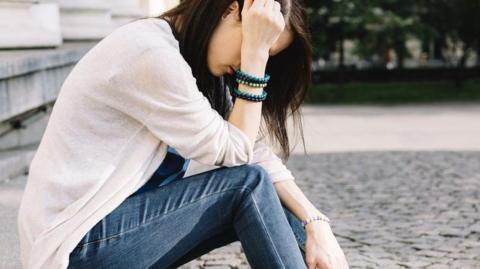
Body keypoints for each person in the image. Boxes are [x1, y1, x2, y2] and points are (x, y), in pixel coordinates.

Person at [17, 0, 349, 268]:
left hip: (106, 238)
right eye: (257, 42)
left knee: (274, 201)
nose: (257, 59)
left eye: (267, 53)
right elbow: (236, 155)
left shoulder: (192, 65)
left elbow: (255, 152)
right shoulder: (149, 53)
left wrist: (315, 222)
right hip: (74, 249)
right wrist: (254, 62)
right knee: (247, 185)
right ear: (229, 9)